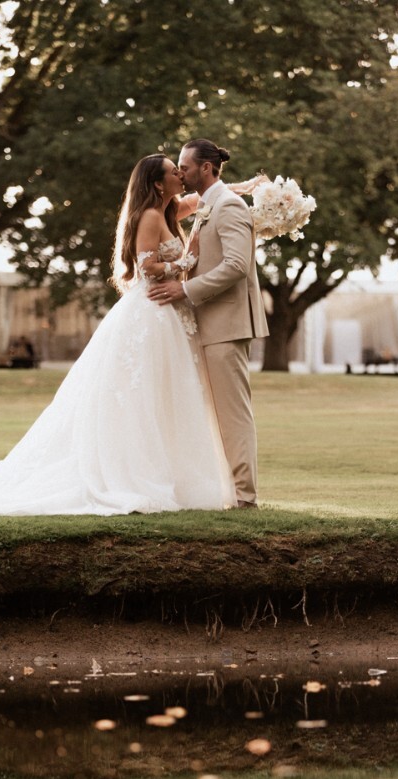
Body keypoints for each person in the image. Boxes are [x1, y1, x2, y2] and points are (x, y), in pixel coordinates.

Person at [0, 154, 238, 516]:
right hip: (150, 314)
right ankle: (134, 475)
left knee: (167, 395)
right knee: (140, 395)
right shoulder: (151, 216)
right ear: (158, 184)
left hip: (168, 316)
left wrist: (244, 189)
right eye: (175, 171)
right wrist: (186, 262)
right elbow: (148, 267)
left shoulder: (171, 210)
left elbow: (202, 200)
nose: (181, 175)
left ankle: (172, 475)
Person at [149, 139, 269, 508]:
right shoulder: (208, 203)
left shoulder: (229, 207)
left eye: (184, 166)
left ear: (205, 168)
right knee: (212, 414)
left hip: (227, 324)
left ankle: (245, 497)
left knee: (233, 414)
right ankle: (225, 490)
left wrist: (185, 291)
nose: (180, 173)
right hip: (207, 324)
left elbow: (235, 266)